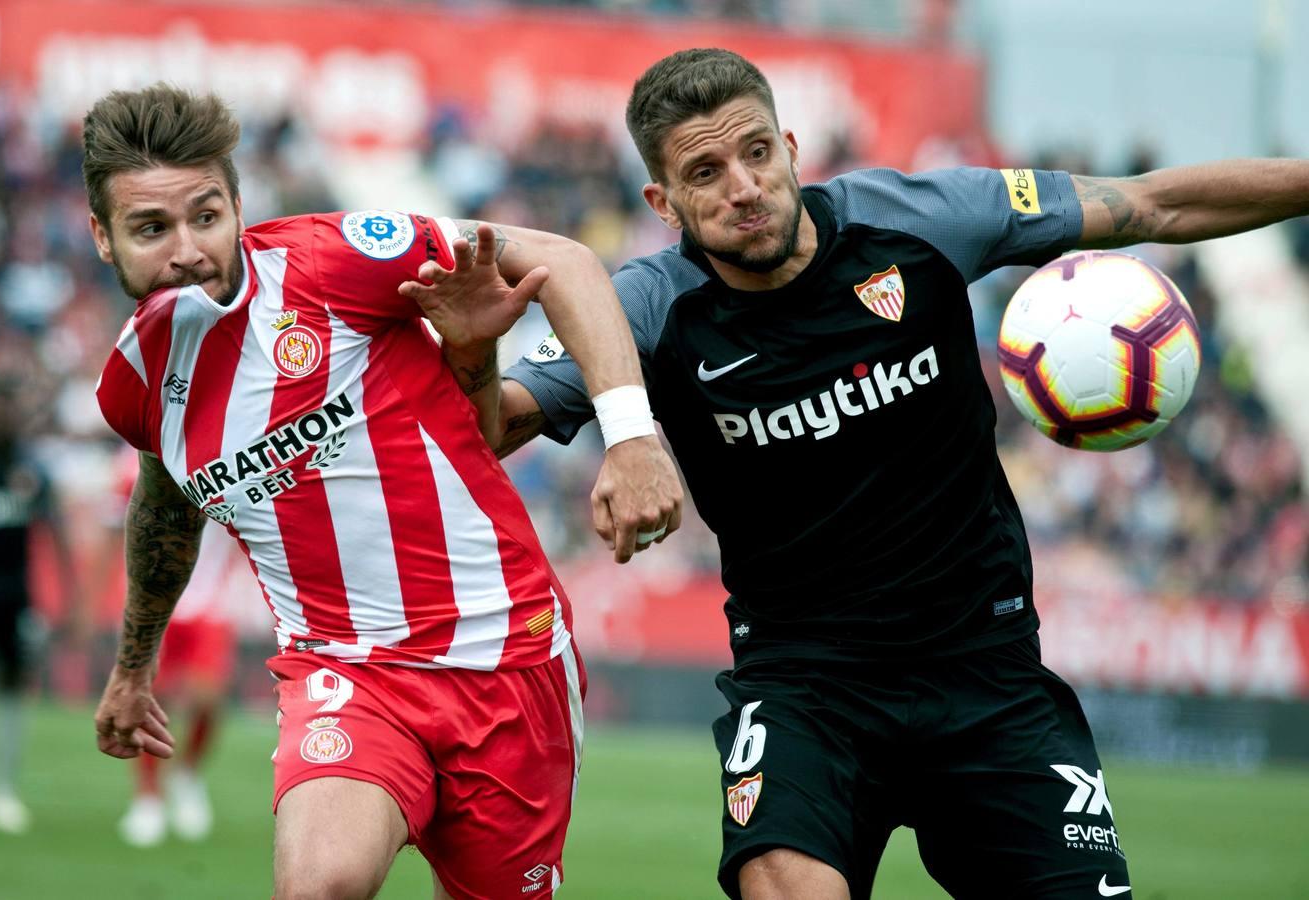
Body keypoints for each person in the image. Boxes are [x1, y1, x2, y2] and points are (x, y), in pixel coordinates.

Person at [491, 48, 1309, 899]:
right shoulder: (649, 307)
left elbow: (1154, 203)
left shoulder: (923, 217)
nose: (744, 186)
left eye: (758, 152)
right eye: (706, 171)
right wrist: (482, 351)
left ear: (794, 148)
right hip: (806, 685)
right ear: (662, 203)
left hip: (985, 672)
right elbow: (489, 425)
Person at [83, 84, 681, 899]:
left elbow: (566, 263)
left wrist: (632, 437)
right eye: (152, 229)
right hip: (345, 669)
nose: (187, 250)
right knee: (318, 886)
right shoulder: (134, 380)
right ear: (102, 237)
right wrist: (132, 668)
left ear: (237, 205)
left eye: (207, 215)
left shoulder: (332, 260)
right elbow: (166, 506)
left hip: (504, 659)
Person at [108, 447, 254, 847]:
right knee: (150, 698)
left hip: (211, 603)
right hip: (157, 602)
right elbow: (117, 530)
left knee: (210, 698)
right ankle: (148, 798)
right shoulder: (130, 462)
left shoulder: (233, 448)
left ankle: (187, 774)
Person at [0, 377, 77, 835]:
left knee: (11, 687)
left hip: (18, 596)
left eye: (8, 408)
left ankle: (2, 789)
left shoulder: (33, 472)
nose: (0, 417)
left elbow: (57, 534)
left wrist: (68, 599)